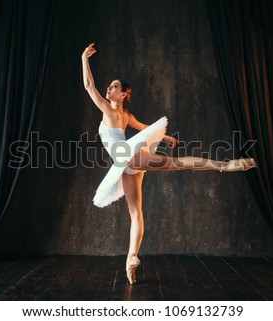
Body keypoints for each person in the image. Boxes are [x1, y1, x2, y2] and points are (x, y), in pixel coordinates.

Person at [81, 43, 257, 285]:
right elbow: (144, 128)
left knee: (174, 164)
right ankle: (131, 258)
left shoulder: (110, 112)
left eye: (114, 86)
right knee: (136, 212)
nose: (108, 88)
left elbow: (88, 86)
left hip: (126, 158)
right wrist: (165, 137)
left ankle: (226, 165)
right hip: (125, 164)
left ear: (123, 94)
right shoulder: (125, 116)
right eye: (109, 86)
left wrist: (84, 58)